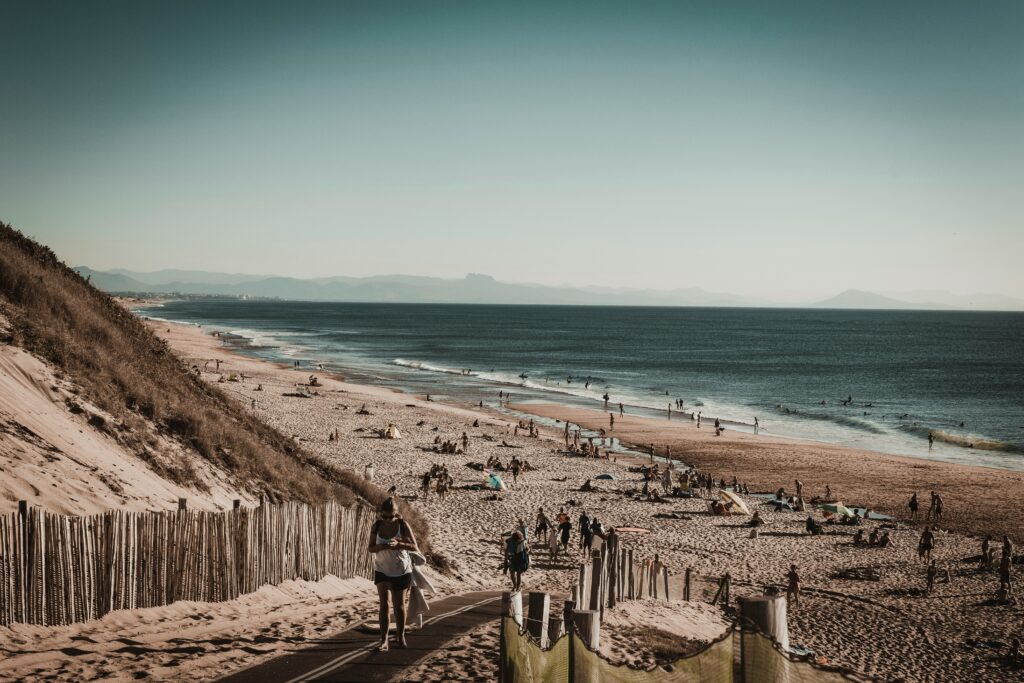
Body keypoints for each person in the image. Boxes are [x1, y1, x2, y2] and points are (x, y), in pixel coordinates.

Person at [368, 498, 418, 651]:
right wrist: (381, 546)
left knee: (399, 606)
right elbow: (371, 548)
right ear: (381, 514)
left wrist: (398, 545)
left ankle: (400, 636)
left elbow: (414, 546)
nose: (388, 520)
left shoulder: (402, 525)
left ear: (396, 514)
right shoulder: (377, 526)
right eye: (385, 516)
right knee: (384, 605)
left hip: (401, 570)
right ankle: (383, 641)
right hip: (382, 569)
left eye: (391, 517)